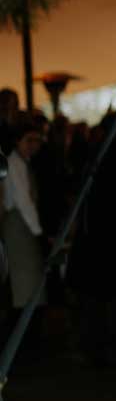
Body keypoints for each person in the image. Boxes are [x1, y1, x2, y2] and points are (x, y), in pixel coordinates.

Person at [0, 113, 46, 356]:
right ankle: (23, 347)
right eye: (30, 140)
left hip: (21, 228)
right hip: (20, 229)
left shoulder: (20, 163)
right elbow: (22, 202)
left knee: (27, 289)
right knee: (24, 289)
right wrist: (38, 232)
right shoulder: (15, 164)